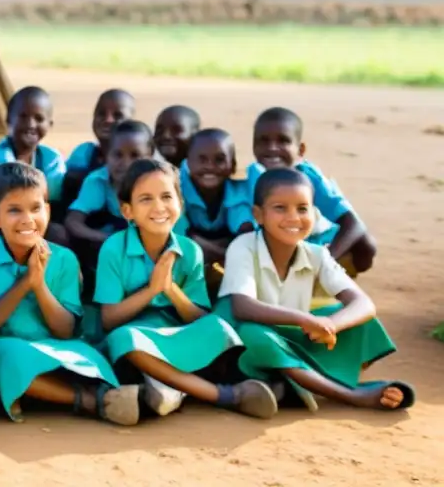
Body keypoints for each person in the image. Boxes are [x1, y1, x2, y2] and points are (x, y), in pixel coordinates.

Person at [218, 168, 414, 413]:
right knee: (256, 335)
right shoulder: (243, 246)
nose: (293, 217)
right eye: (280, 208)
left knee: (364, 323)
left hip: (290, 341)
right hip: (242, 349)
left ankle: (293, 386)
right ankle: (349, 395)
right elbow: (242, 306)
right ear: (258, 214)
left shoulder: (317, 253)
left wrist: (331, 324)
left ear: (315, 214)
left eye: (302, 209)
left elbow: (364, 304)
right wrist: (306, 319)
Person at [95, 158, 278, 420]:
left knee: (220, 329)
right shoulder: (114, 248)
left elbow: (198, 316)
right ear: (127, 211)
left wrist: (171, 291)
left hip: (178, 335)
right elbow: (108, 319)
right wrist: (151, 289)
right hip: (137, 339)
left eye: (167, 196)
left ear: (180, 204)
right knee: (126, 339)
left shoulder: (189, 250)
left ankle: (167, 389)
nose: (159, 207)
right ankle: (223, 395)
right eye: (146, 199)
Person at [0, 162, 139, 426]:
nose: (27, 219)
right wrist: (24, 283)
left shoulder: (64, 260)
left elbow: (65, 330)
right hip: (5, 346)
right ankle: (90, 401)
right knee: (13, 359)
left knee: (92, 357)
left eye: (36, 208)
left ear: (48, 211)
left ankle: (47, 393)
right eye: (14, 210)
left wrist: (40, 285)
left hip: (57, 346)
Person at [248, 107, 376, 273]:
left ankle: (333, 283)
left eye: (283, 141)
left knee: (366, 244)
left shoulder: (308, 175)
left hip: (313, 242)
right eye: (263, 141)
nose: (272, 148)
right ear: (253, 146)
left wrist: (326, 261)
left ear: (300, 150)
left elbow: (354, 223)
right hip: (274, 244)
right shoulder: (257, 176)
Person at [64, 120, 153, 294]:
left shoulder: (157, 183)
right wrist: (104, 238)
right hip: (111, 243)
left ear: (149, 156)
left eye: (135, 155)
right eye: (117, 155)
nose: (125, 163)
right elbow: (73, 222)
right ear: (106, 155)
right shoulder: (98, 179)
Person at [173, 129, 253, 292]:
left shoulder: (237, 193)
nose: (210, 167)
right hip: (195, 254)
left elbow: (246, 234)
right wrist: (224, 252)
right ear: (188, 164)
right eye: (202, 160)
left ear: (233, 166)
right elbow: (179, 236)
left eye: (219, 160)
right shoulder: (177, 189)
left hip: (222, 253)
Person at [0, 87, 66, 204]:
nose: (30, 124)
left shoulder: (52, 159)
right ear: (9, 119)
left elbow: (54, 197)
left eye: (39, 118)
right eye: (23, 117)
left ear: (49, 124)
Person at [61, 89, 135, 208]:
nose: (108, 120)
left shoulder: (138, 158)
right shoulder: (83, 153)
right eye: (101, 114)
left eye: (117, 115)